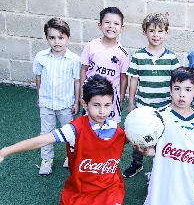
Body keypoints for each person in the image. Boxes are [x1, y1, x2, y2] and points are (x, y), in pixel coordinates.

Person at [0, 74, 127, 205]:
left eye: (107, 105)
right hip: (81, 190)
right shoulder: (74, 129)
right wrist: (5, 151)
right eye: (96, 105)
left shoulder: (114, 128)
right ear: (84, 103)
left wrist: (145, 147)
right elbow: (42, 140)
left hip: (109, 188)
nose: (102, 111)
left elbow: (127, 140)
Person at [140, 67, 194, 205]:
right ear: (170, 90)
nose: (182, 94)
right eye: (177, 88)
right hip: (165, 179)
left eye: (188, 89)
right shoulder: (160, 118)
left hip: (189, 179)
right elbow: (155, 151)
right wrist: (144, 150)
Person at [122, 12, 180, 178]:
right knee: (137, 134)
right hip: (142, 105)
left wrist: (174, 104)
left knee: (161, 137)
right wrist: (131, 102)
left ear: (166, 33)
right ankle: (137, 163)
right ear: (144, 32)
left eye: (160, 31)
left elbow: (175, 83)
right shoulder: (139, 56)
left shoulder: (171, 57)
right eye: (152, 31)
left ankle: (158, 167)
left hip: (164, 106)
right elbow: (133, 80)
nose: (156, 35)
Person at [33, 17, 81, 175]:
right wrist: (39, 96)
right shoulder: (41, 57)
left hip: (66, 104)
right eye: (52, 38)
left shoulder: (74, 59)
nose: (56, 42)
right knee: (46, 133)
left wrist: (76, 102)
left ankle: (70, 156)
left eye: (61, 38)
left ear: (68, 38)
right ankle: (46, 160)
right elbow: (39, 78)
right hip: (46, 103)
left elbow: (77, 81)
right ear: (47, 38)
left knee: (70, 132)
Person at [79, 7, 130, 123]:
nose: (111, 26)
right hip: (91, 94)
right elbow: (83, 70)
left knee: (110, 127)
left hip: (111, 97)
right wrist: (82, 93)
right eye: (107, 22)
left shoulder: (123, 53)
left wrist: (121, 100)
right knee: (89, 126)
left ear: (121, 28)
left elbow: (123, 78)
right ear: (100, 25)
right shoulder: (91, 46)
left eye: (116, 23)